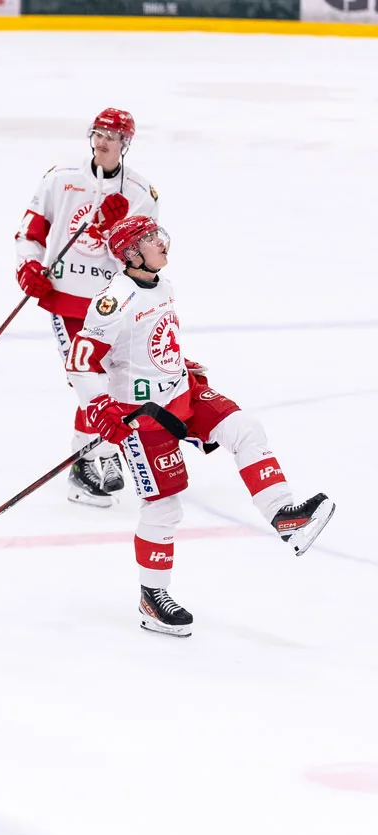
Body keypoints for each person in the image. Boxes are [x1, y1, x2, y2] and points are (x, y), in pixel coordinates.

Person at [68, 216, 335, 636]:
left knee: (244, 427)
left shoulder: (164, 286)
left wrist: (178, 362)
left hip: (183, 394)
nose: (162, 243)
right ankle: (152, 598)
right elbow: (81, 361)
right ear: (131, 253)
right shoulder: (114, 299)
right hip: (144, 418)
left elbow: (150, 343)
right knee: (164, 505)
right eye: (150, 239)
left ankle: (286, 515)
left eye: (159, 235)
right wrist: (101, 408)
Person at [15, 108, 157, 506]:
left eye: (112, 135)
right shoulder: (61, 180)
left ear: (125, 144)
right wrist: (28, 266)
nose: (103, 140)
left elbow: (140, 259)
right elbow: (30, 232)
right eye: (98, 132)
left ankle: (92, 455)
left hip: (114, 303)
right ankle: (94, 458)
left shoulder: (140, 195)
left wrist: (114, 228)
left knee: (111, 381)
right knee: (87, 378)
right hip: (67, 299)